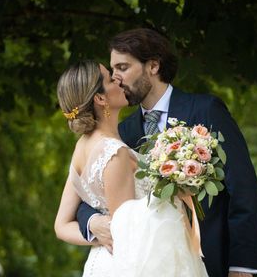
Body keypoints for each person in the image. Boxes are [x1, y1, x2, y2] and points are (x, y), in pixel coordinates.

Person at [77, 28, 257, 277]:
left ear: (152, 66)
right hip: (150, 265)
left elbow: (243, 189)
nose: (116, 78)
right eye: (112, 71)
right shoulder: (122, 132)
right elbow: (87, 193)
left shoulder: (206, 110)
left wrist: (242, 266)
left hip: (212, 259)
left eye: (122, 67)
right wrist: (92, 222)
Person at [54, 60, 208, 276]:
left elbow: (61, 226)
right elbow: (130, 239)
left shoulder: (83, 146)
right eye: (110, 78)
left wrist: (97, 232)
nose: (117, 79)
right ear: (100, 98)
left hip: (103, 262)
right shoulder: (115, 153)